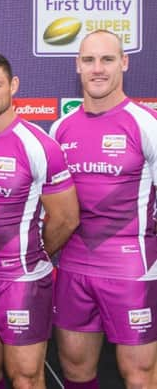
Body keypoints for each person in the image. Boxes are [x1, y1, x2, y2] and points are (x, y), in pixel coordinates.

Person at [0, 52, 79, 388]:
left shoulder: (39, 145)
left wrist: (32, 254)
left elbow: (66, 219)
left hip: (21, 282)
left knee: (25, 376)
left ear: (13, 86)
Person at [49, 30, 157, 388]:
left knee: (140, 376)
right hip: (74, 266)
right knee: (76, 371)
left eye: (107, 59)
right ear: (77, 65)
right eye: (89, 60)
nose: (98, 69)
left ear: (123, 63)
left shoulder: (146, 125)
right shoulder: (61, 128)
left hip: (131, 268)